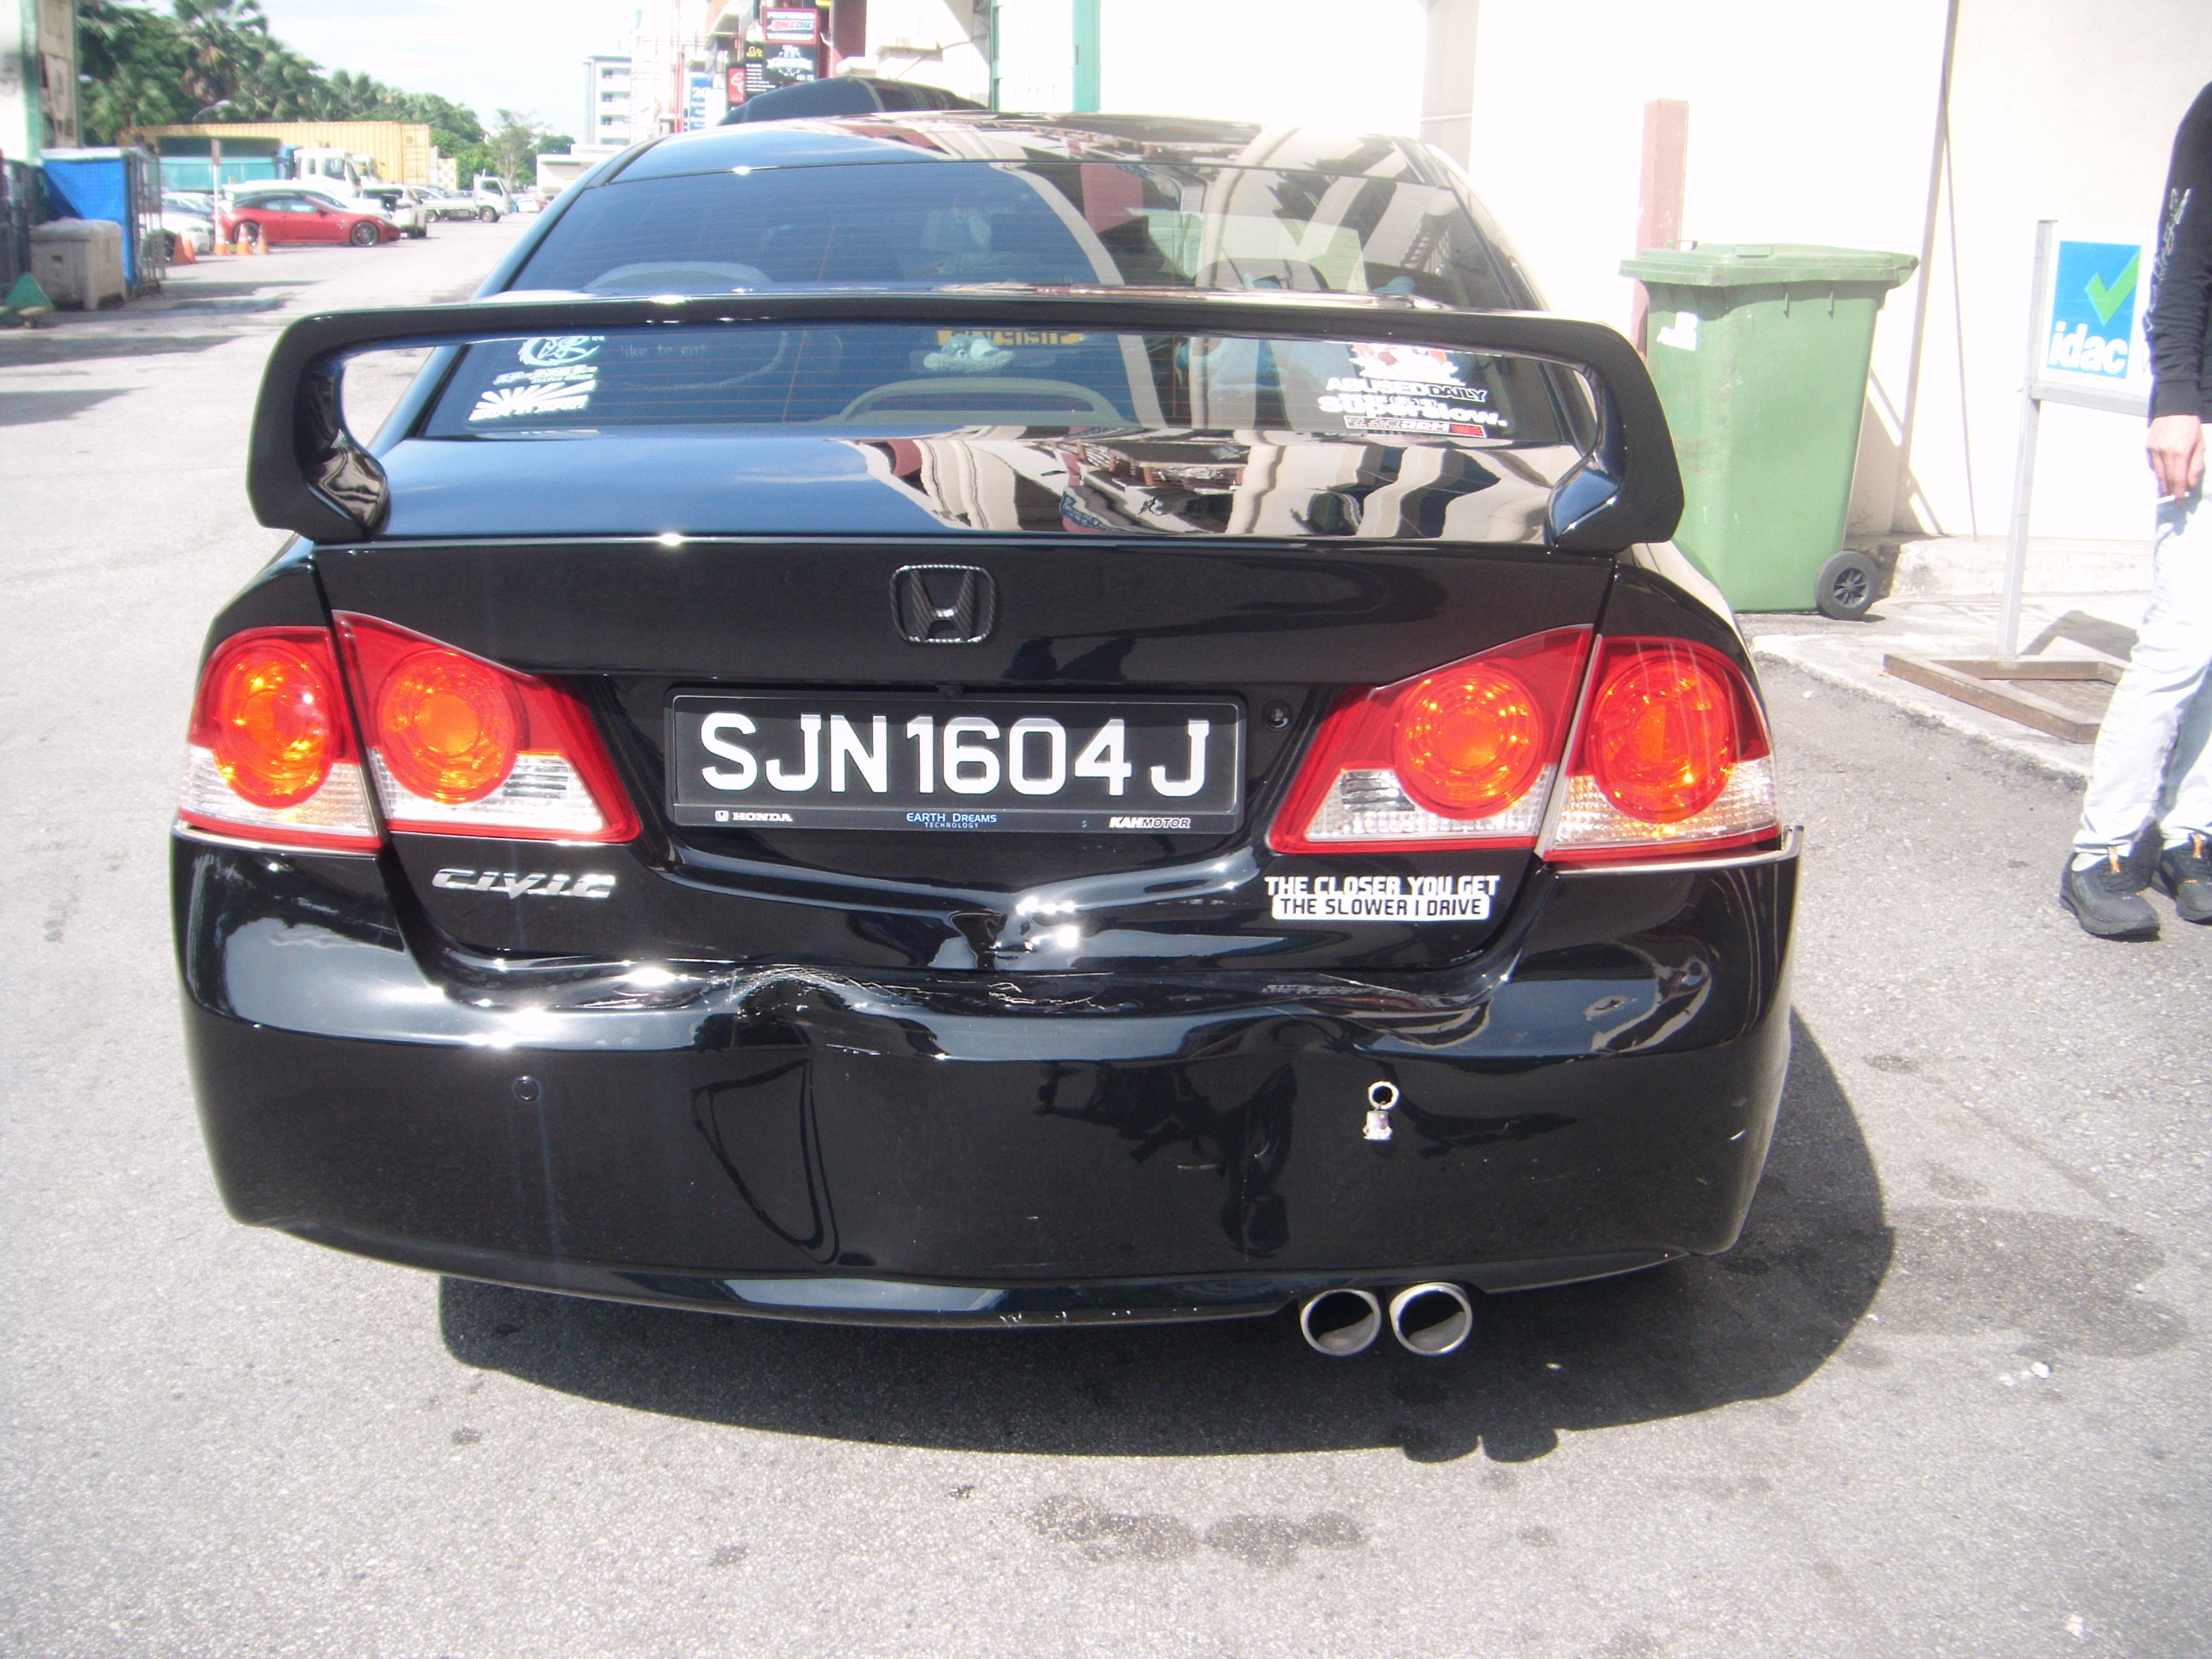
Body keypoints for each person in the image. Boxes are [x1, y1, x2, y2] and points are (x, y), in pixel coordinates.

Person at [2062, 82, 2212, 938]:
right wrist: (2176, 399)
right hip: (2208, 418)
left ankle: (2191, 835)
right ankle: (2104, 850)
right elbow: (2181, 266)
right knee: (2183, 641)